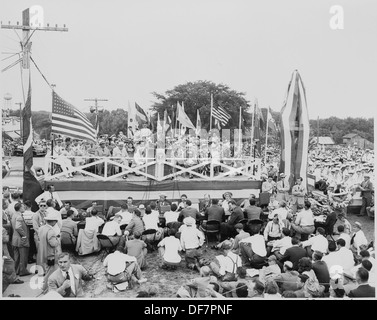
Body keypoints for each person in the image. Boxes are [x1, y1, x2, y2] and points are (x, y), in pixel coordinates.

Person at [37, 211, 61, 290]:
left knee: (47, 270)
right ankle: (45, 287)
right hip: (50, 255)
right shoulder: (51, 231)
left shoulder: (41, 228)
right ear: (53, 222)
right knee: (50, 272)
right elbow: (53, 244)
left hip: (42, 253)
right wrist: (58, 239)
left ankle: (46, 287)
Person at [11, 202, 31, 277]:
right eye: (23, 207)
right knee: (23, 256)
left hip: (15, 239)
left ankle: (17, 270)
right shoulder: (19, 216)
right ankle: (23, 271)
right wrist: (24, 235)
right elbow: (18, 227)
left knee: (17, 257)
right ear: (19, 208)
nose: (24, 208)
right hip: (21, 239)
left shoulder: (14, 215)